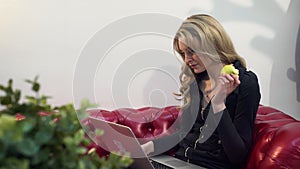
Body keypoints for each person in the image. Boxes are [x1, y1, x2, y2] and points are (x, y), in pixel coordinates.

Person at [141, 14, 261, 169]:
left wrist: (218, 105)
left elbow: (237, 155)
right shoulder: (196, 80)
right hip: (180, 163)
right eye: (183, 53)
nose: (187, 60)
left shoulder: (245, 83)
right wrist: (146, 148)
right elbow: (184, 133)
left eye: (191, 51)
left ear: (212, 46)